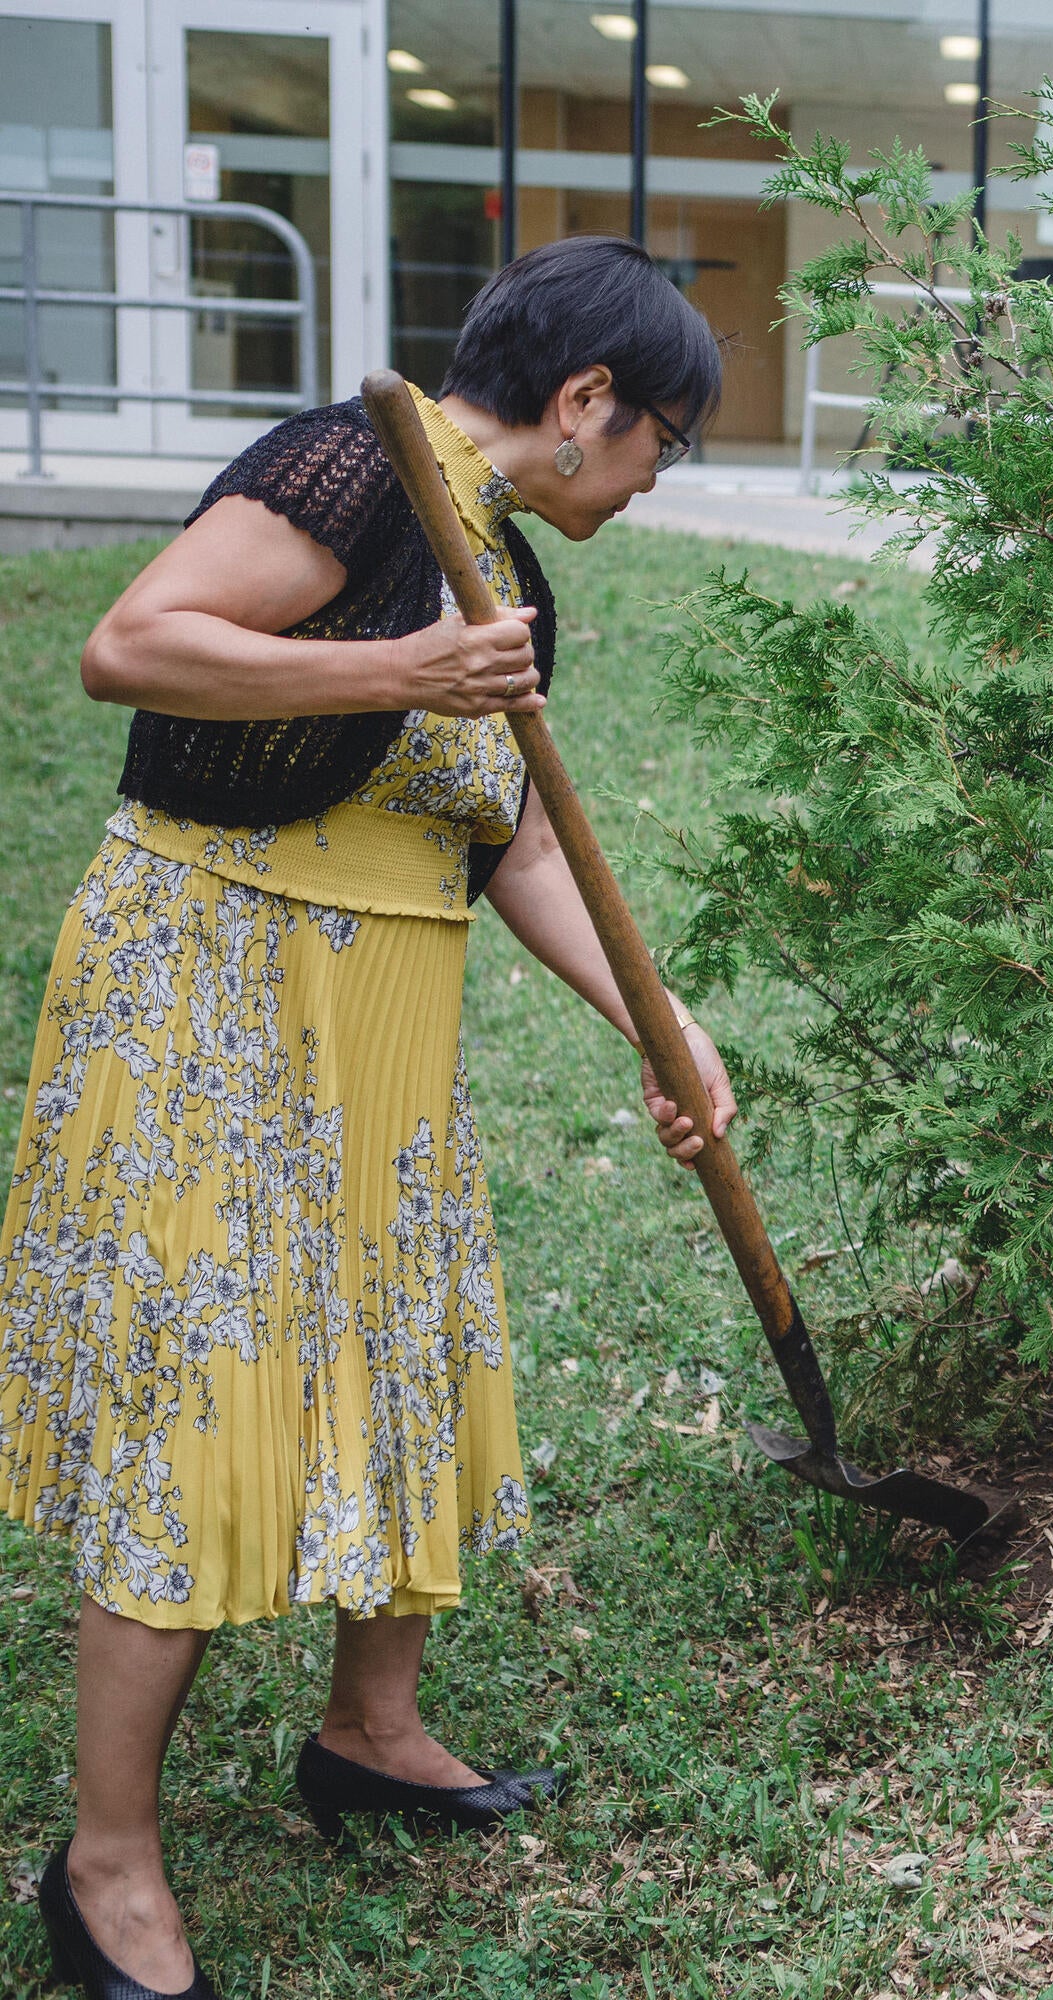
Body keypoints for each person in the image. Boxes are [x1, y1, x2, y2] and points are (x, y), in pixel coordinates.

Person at [0, 235, 740, 1998]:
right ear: (583, 406)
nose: (657, 479)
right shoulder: (351, 464)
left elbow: (519, 839)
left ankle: (369, 1729)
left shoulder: (509, 574)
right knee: (207, 1399)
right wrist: (399, 670)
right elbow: (132, 645)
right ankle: (104, 1863)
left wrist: (665, 1020)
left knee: (399, 1356)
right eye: (665, 441)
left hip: (382, 1031)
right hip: (217, 992)